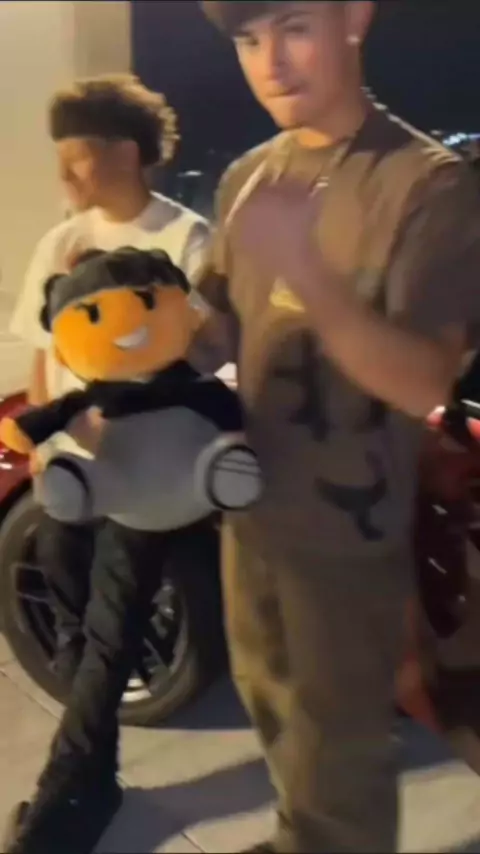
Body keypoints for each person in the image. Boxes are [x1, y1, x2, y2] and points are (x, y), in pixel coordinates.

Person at [190, 2, 480, 853]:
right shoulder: (249, 176)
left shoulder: (427, 184)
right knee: (276, 719)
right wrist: (141, 338)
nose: (270, 63)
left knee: (337, 759)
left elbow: (423, 377)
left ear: (353, 17)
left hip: (354, 541)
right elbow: (218, 331)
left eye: (293, 28)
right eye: (248, 41)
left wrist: (308, 273)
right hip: (252, 517)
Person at [4, 75, 210, 853]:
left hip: (151, 469)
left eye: (79, 158)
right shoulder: (62, 240)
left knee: (110, 621)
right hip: (77, 464)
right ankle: (92, 684)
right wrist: (48, 441)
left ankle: (75, 786)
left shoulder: (187, 240)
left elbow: (206, 361)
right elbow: (41, 354)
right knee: (60, 559)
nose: (65, 175)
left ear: (127, 153)